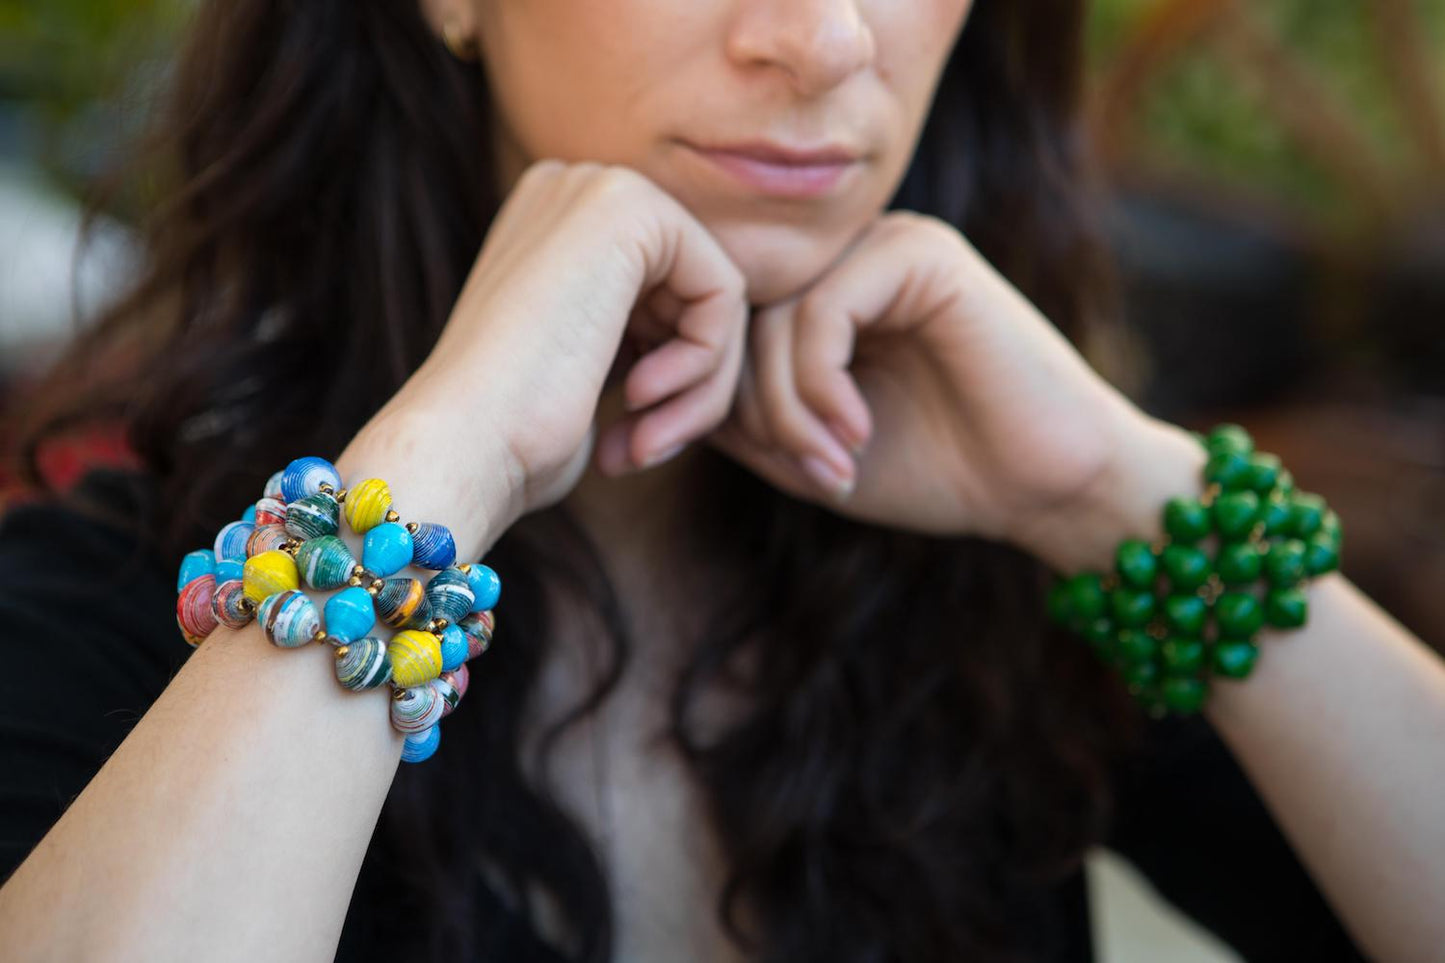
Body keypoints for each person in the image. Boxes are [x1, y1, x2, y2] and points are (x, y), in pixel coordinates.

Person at [0, 0, 1440, 960]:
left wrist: (1116, 494)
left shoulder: (1019, 570)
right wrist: (444, 462)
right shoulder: (107, 616)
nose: (819, 40)